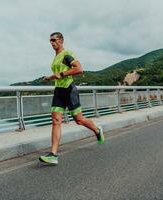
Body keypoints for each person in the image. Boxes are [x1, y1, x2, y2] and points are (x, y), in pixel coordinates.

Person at [39, 32, 105, 165]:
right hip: (59, 91)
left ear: (61, 40)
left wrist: (62, 74)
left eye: (54, 40)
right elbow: (58, 74)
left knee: (79, 120)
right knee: (56, 120)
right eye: (50, 41)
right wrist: (50, 77)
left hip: (69, 90)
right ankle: (53, 154)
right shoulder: (56, 57)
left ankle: (97, 130)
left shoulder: (67, 54)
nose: (52, 43)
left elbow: (79, 69)